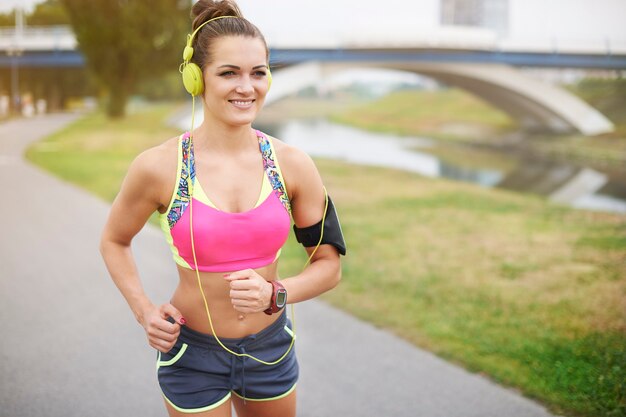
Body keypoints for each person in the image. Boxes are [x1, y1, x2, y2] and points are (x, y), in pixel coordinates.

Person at [99, 1, 345, 416]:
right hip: (191, 353)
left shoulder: (294, 165)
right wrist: (144, 310)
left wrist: (276, 293)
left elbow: (328, 265)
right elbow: (114, 240)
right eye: (229, 73)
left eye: (259, 73)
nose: (246, 87)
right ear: (196, 79)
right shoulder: (158, 167)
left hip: (270, 350)